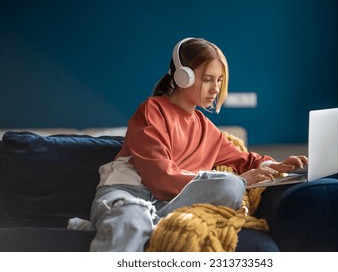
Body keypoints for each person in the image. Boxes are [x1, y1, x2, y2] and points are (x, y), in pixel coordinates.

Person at [89, 37, 308, 252]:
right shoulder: (152, 110)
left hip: (167, 204)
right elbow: (161, 179)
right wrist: (240, 180)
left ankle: (137, 225)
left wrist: (278, 165)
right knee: (133, 217)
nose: (216, 88)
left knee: (230, 186)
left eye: (220, 80)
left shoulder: (206, 129)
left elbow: (247, 160)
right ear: (183, 77)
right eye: (208, 79)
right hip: (129, 194)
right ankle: (127, 223)